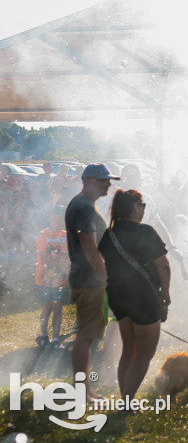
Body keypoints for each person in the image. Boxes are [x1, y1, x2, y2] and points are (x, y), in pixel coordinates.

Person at [98, 189, 171, 402]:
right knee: (145, 353)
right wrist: (165, 292)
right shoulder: (145, 232)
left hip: (118, 298)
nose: (143, 210)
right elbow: (164, 265)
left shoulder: (109, 234)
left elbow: (102, 265)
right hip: (144, 298)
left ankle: (125, 398)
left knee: (129, 350)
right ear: (134, 207)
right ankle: (127, 402)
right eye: (142, 205)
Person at [65, 162, 121, 402]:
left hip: (88, 279)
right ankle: (82, 393)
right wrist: (107, 277)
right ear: (87, 181)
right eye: (102, 179)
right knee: (85, 337)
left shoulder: (84, 205)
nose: (108, 183)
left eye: (108, 179)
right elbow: (89, 247)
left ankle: (86, 390)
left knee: (87, 336)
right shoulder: (84, 207)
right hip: (90, 280)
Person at [35, 206, 70, 347]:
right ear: (51, 217)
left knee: (57, 306)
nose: (59, 220)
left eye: (62, 217)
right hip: (44, 277)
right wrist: (60, 265)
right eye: (57, 216)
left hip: (59, 278)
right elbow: (43, 255)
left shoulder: (66, 235)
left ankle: (55, 338)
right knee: (47, 307)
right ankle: (43, 335)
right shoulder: (43, 234)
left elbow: (68, 254)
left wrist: (66, 267)